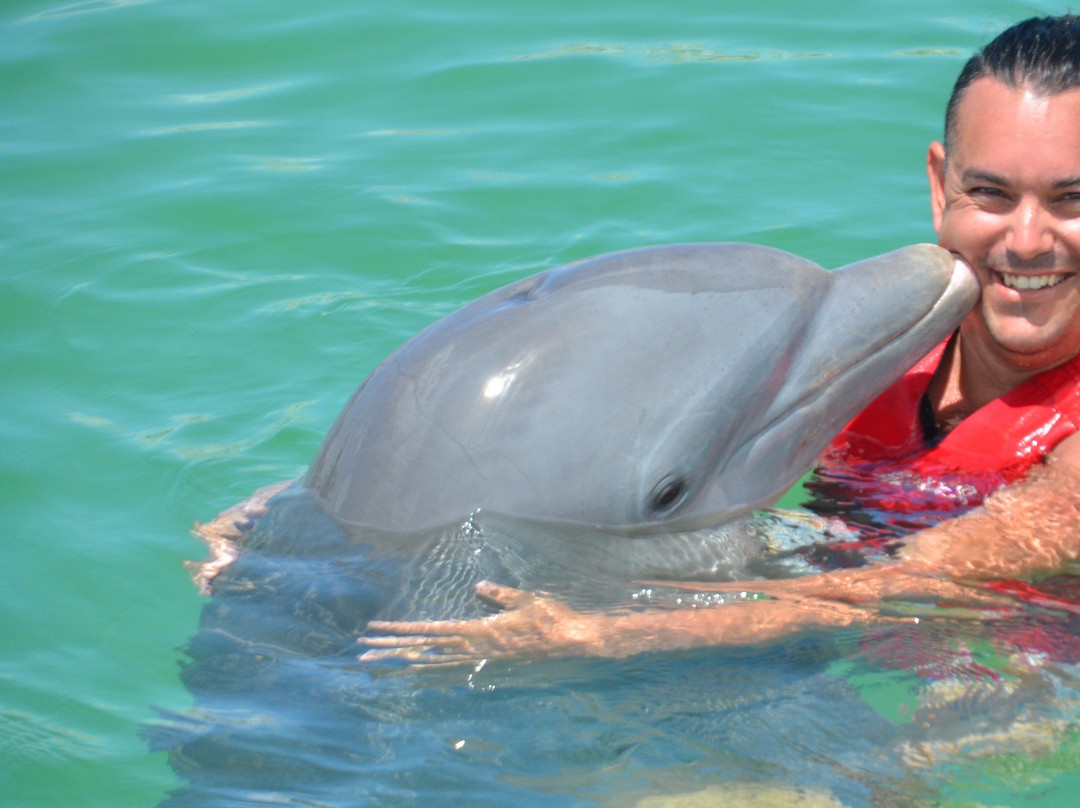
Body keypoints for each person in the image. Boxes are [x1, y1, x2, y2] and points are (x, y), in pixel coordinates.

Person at [358, 15, 1080, 664]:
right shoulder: (897, 347)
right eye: (990, 193)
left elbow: (910, 584)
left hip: (1003, 672)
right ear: (940, 184)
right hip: (792, 631)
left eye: (1070, 200)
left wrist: (603, 635)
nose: (1024, 241)